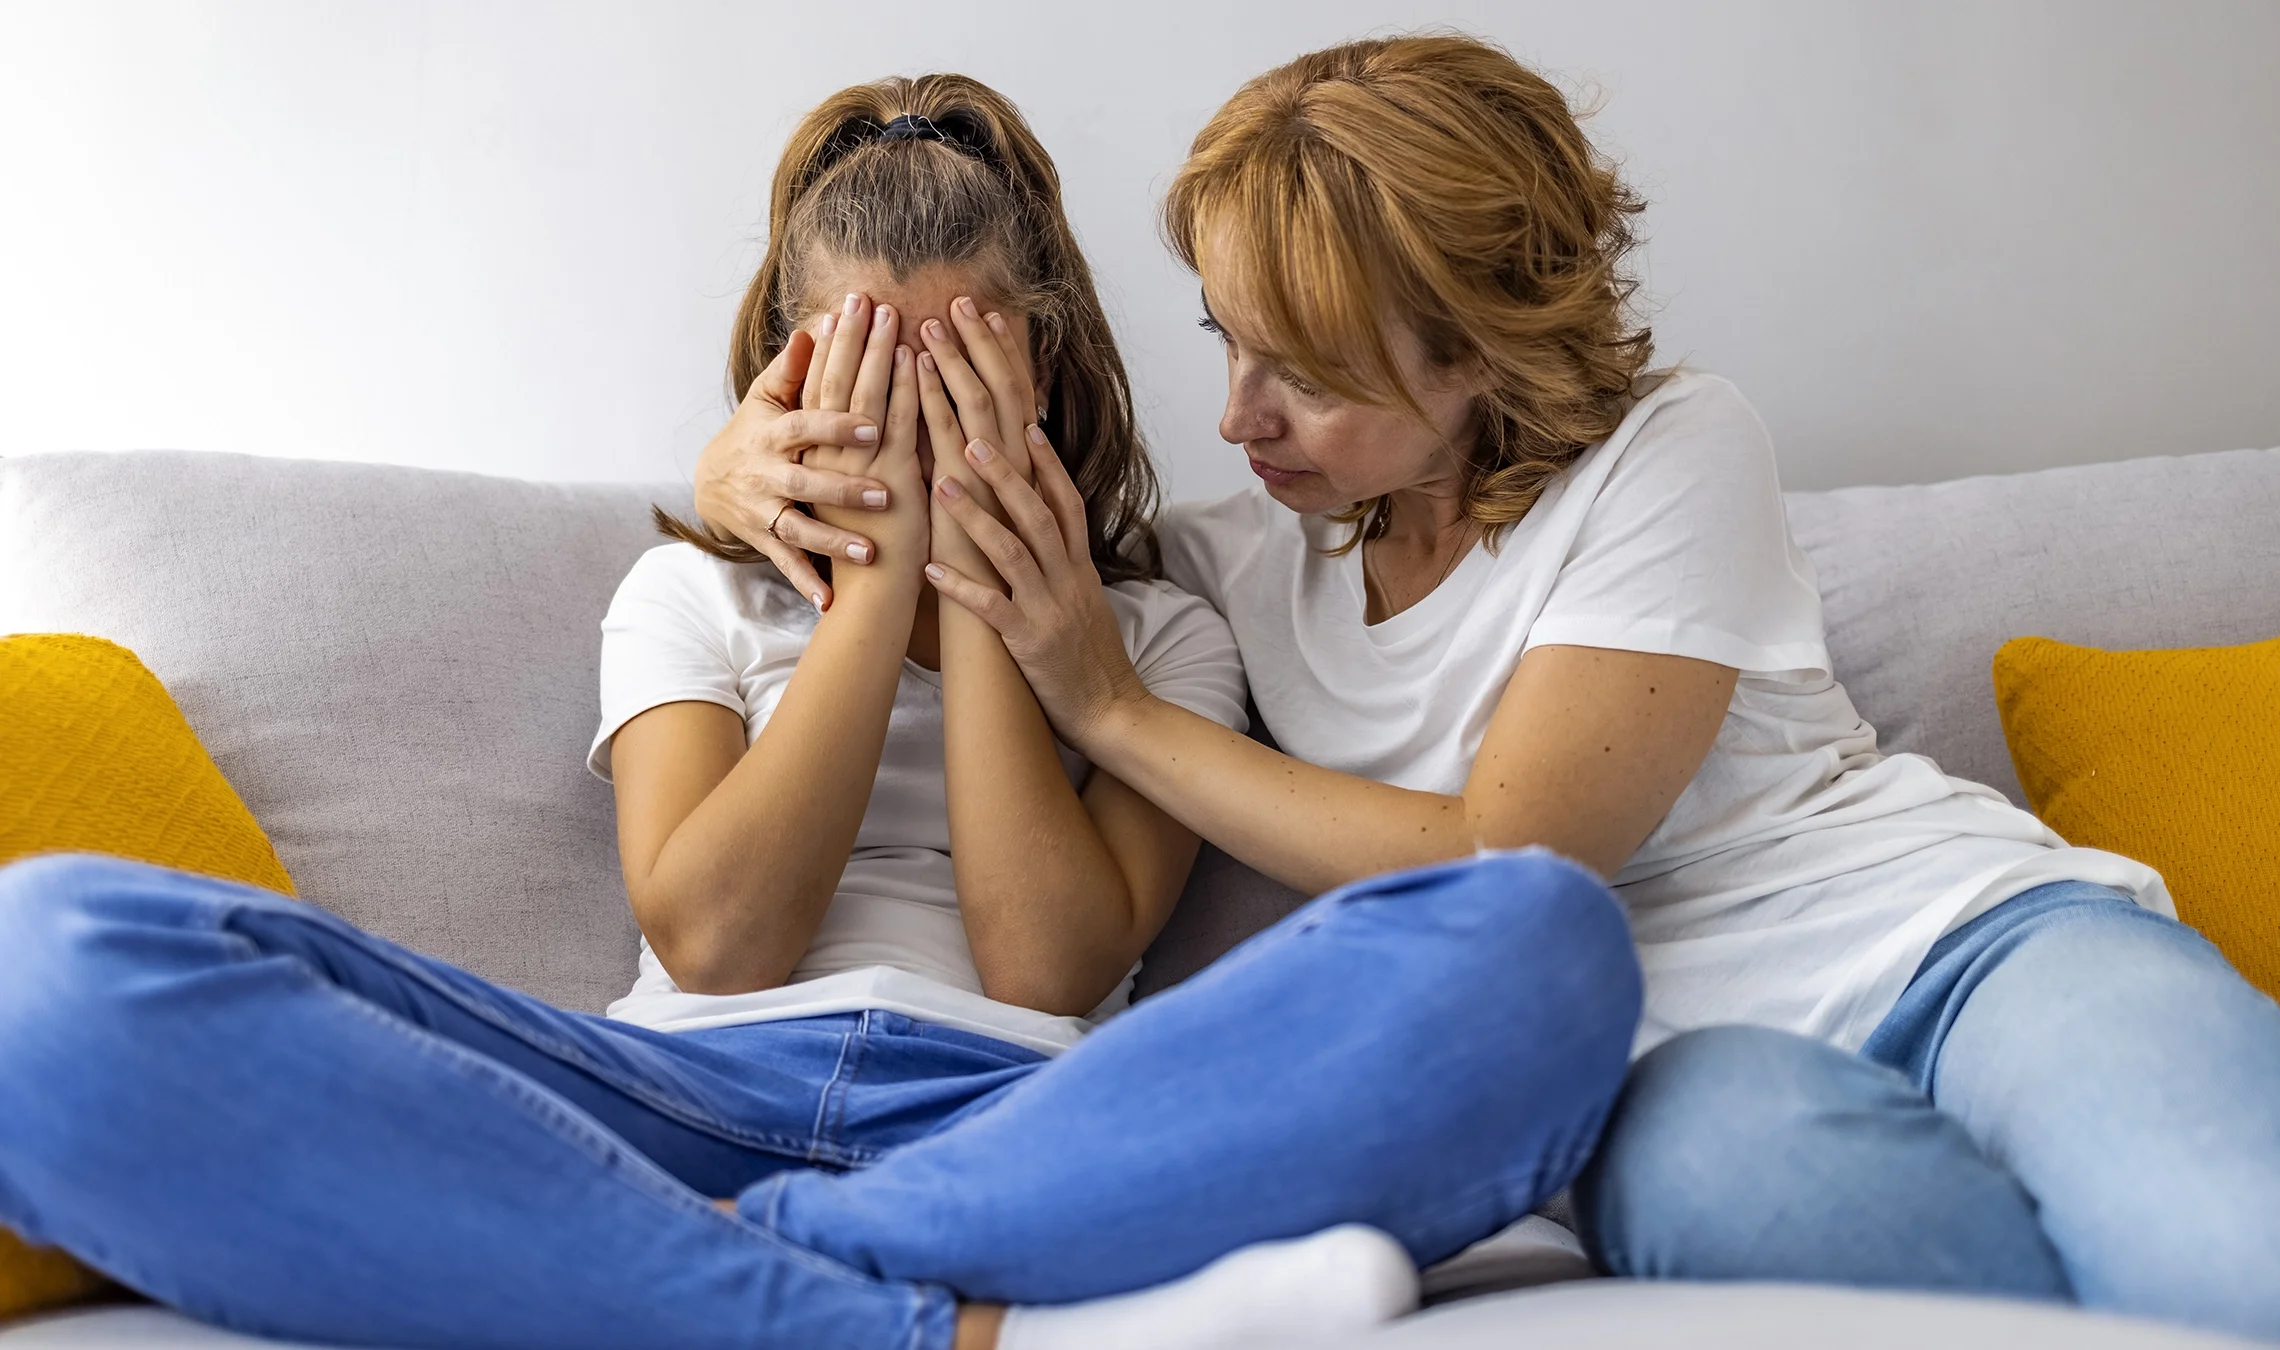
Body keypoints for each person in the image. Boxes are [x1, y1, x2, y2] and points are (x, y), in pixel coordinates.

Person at [695, 35, 2280, 1349]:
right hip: (1675, 1073)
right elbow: (993, 509)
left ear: (1474, 353)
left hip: (1961, 949)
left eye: (1307, 371)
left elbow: (1514, 857)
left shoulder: (1674, 451)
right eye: (1225, 340)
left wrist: (1116, 711)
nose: (1239, 415)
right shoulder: (1235, 558)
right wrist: (734, 470)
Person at [0, 76, 1650, 1350]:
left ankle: (714, 1280)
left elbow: (1048, 964)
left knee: (1535, 946)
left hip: (1028, 1120)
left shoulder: (1155, 632)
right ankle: (954, 1320)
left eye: (955, 377)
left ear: (1042, 366)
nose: (909, 421)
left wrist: (1001, 602)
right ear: (787, 375)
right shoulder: (691, 597)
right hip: (663, 1103)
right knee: (37, 966)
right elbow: (719, 934)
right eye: (864, 371)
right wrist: (872, 590)